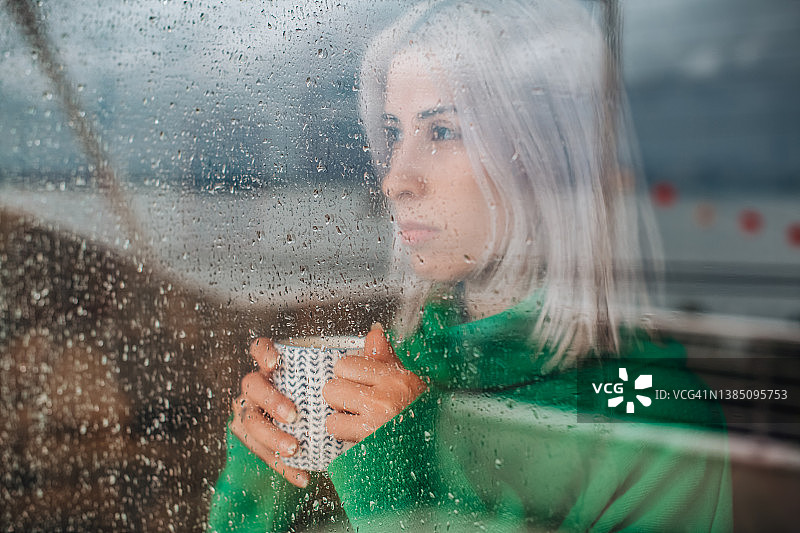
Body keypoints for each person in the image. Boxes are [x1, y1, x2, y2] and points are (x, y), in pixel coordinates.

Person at [208, 1, 732, 531]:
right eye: (395, 134)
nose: (395, 178)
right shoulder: (397, 374)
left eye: (442, 132)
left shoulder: (654, 426)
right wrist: (269, 465)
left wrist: (407, 487)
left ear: (543, 158)